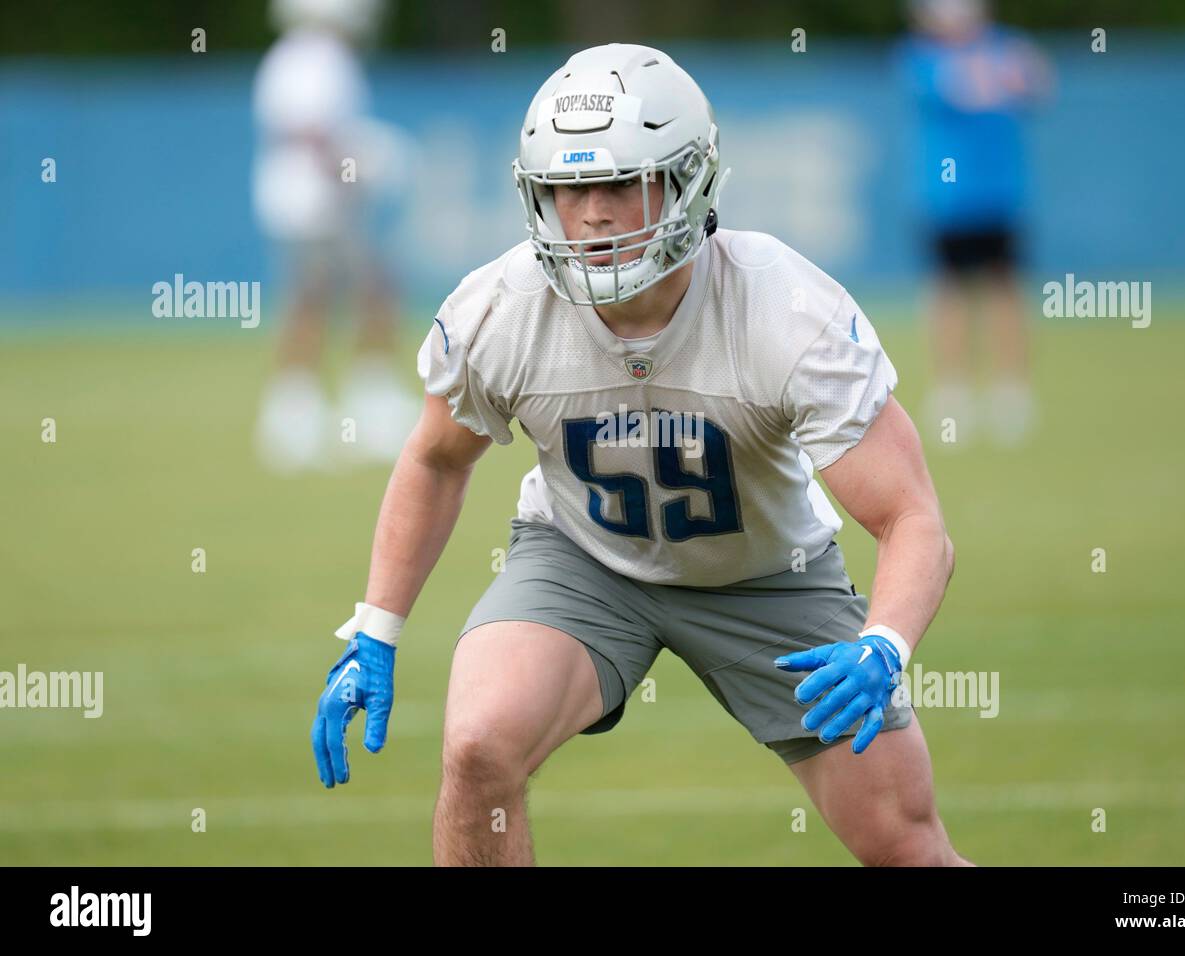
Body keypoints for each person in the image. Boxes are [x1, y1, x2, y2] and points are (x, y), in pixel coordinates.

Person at [312, 43, 970, 867]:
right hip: (584, 562)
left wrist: (885, 643)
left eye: (620, 182)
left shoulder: (784, 310)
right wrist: (376, 629)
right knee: (479, 745)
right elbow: (438, 459)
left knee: (906, 847)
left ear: (688, 179)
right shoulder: (500, 309)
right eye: (567, 186)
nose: (590, 213)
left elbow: (914, 520)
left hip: (766, 577)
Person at [251, 0, 417, 472]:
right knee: (371, 291)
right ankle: (362, 409)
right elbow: (314, 132)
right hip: (318, 204)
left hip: (299, 203)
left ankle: (298, 416)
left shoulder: (290, 55)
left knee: (316, 298)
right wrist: (358, 170)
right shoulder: (320, 57)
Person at [900, 0, 1052, 446]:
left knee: (1006, 288)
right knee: (949, 291)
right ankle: (952, 391)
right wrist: (1000, 75)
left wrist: (1008, 72)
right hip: (947, 198)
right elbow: (968, 89)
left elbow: (1039, 84)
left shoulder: (1008, 46)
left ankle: (1012, 392)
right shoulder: (921, 57)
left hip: (1001, 195)